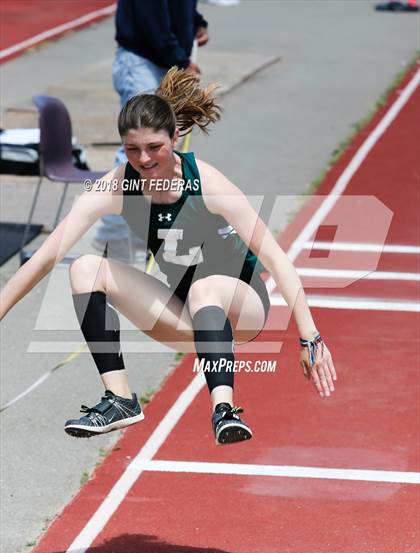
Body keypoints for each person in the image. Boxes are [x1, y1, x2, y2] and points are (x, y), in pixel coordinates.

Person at [0, 68, 337, 445]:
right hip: (182, 313)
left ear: (176, 138)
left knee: (205, 288)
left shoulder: (207, 183)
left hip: (242, 309)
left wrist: (309, 336)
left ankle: (224, 409)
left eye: (153, 147)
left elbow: (277, 260)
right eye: (131, 149)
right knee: (84, 268)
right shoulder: (117, 185)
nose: (143, 160)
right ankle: (121, 399)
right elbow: (45, 258)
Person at [93, 0, 209, 262]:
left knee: (161, 154)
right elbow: (151, 17)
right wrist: (181, 61)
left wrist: (196, 22)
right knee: (139, 152)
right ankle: (114, 239)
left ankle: (145, 233)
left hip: (162, 60)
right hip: (143, 60)